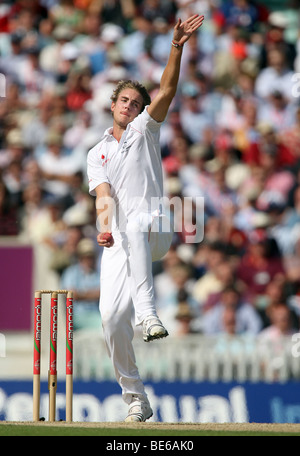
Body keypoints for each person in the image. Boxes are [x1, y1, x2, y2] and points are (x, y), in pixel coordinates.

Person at [87, 14, 205, 422]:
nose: (131, 107)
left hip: (155, 225)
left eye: (137, 103)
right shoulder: (95, 153)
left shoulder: (145, 129)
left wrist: (176, 46)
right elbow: (103, 195)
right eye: (126, 101)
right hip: (120, 238)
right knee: (109, 320)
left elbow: (168, 88)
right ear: (113, 103)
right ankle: (136, 398)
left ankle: (149, 313)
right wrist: (104, 228)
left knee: (136, 219)